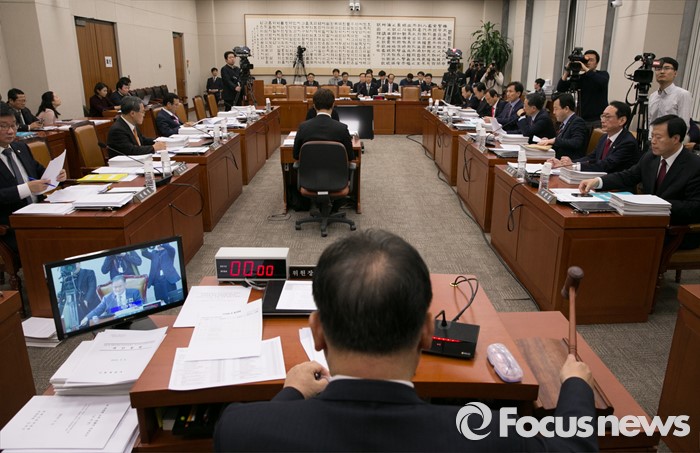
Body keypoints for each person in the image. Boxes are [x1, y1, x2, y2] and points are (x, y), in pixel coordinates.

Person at [214, 229, 596, 452]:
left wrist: (290, 394)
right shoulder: (491, 435)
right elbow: (573, 446)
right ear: (427, 332)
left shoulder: (240, 431)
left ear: (317, 332)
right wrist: (576, 385)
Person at [580, 115, 700, 249]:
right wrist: (598, 181)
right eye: (652, 136)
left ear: (676, 139)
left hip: (677, 231)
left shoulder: (695, 166)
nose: (653, 141)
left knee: (619, 241)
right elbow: (628, 176)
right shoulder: (651, 157)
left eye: (658, 137)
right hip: (647, 223)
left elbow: (695, 207)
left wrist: (657, 204)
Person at [0, 103, 66, 253]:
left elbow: (39, 171)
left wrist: (57, 175)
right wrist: (26, 189)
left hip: (40, 212)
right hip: (12, 225)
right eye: (3, 126)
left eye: (13, 125)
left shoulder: (21, 147)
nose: (10, 131)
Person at [550, 101, 640, 174]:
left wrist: (574, 166)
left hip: (616, 187)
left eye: (607, 117)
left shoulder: (627, 142)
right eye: (602, 116)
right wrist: (566, 163)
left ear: (622, 120)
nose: (603, 120)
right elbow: (591, 157)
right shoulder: (604, 137)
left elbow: (606, 165)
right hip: (598, 179)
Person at [293, 89, 354, 161]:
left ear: (314, 106)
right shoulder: (342, 128)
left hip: (310, 167)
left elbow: (296, 155)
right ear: (333, 105)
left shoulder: (303, 127)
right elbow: (350, 156)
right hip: (335, 167)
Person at [556, 49, 609, 129]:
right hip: (583, 118)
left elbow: (602, 82)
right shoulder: (581, 78)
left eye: (591, 60)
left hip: (598, 119)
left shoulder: (603, 74)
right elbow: (561, 88)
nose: (588, 62)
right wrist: (567, 71)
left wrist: (586, 69)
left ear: (596, 64)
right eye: (586, 60)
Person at [537, 93, 588, 159]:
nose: (554, 112)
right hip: (557, 158)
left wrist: (554, 141)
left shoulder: (577, 122)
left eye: (556, 109)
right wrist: (549, 141)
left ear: (566, 109)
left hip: (569, 160)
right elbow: (561, 141)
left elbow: (576, 142)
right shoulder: (564, 122)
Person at [648, 57, 693, 128]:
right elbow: (649, 121)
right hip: (652, 134)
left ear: (675, 73)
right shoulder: (653, 96)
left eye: (666, 68)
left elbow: (684, 125)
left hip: (671, 135)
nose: (662, 71)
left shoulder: (683, 94)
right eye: (658, 69)